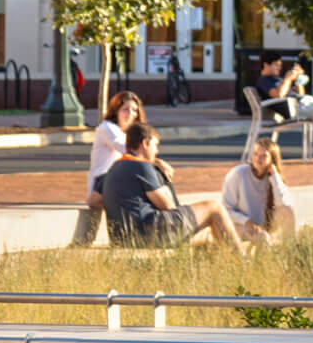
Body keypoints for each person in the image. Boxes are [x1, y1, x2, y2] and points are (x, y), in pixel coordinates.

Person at [99, 122, 249, 252]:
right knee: (214, 207)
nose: (156, 151)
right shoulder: (141, 167)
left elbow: (94, 200)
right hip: (149, 232)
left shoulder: (114, 168)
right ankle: (243, 263)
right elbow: (168, 207)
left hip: (124, 238)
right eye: (155, 145)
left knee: (208, 235)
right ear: (145, 143)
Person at [75, 91, 165, 246]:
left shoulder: (129, 133)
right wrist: (158, 163)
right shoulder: (106, 128)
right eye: (125, 109)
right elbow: (130, 150)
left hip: (123, 180)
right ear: (115, 111)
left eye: (134, 110)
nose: (130, 114)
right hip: (104, 181)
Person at [221, 137, 296, 244]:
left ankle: (290, 251)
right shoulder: (238, 174)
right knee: (262, 237)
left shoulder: (273, 178)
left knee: (287, 212)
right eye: (255, 154)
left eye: (263, 156)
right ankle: (263, 260)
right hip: (238, 225)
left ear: (272, 160)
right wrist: (246, 221)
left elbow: (283, 204)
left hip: (262, 225)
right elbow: (225, 209)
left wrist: (274, 175)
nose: (258, 159)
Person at [259, 52, 313, 121]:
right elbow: (279, 95)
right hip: (296, 108)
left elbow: (301, 95)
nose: (279, 68)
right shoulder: (264, 81)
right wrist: (288, 78)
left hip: (304, 103)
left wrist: (298, 80)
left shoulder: (278, 79)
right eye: (276, 65)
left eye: (280, 65)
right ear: (265, 65)